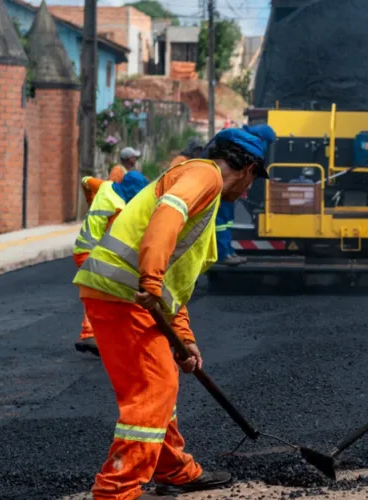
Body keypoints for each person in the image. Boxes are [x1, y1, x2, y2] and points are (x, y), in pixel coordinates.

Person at [72, 129, 268, 498]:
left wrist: (185, 342)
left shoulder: (204, 202)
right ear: (248, 169)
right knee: (154, 389)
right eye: (252, 182)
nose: (246, 193)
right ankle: (116, 490)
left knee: (160, 388)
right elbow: (167, 215)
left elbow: (173, 291)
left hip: (129, 296)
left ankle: (172, 467)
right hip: (125, 294)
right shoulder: (204, 174)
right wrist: (150, 276)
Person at [72, 171, 150, 356]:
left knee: (98, 292)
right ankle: (91, 334)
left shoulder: (105, 187)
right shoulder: (120, 209)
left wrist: (90, 201)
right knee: (105, 292)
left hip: (82, 251)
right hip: (94, 254)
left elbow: (84, 180)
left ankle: (94, 334)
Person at [215, 124, 276, 266]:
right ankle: (223, 254)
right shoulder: (239, 143)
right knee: (221, 222)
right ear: (261, 138)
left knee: (227, 221)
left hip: (227, 187)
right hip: (222, 188)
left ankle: (228, 251)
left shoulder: (240, 140)